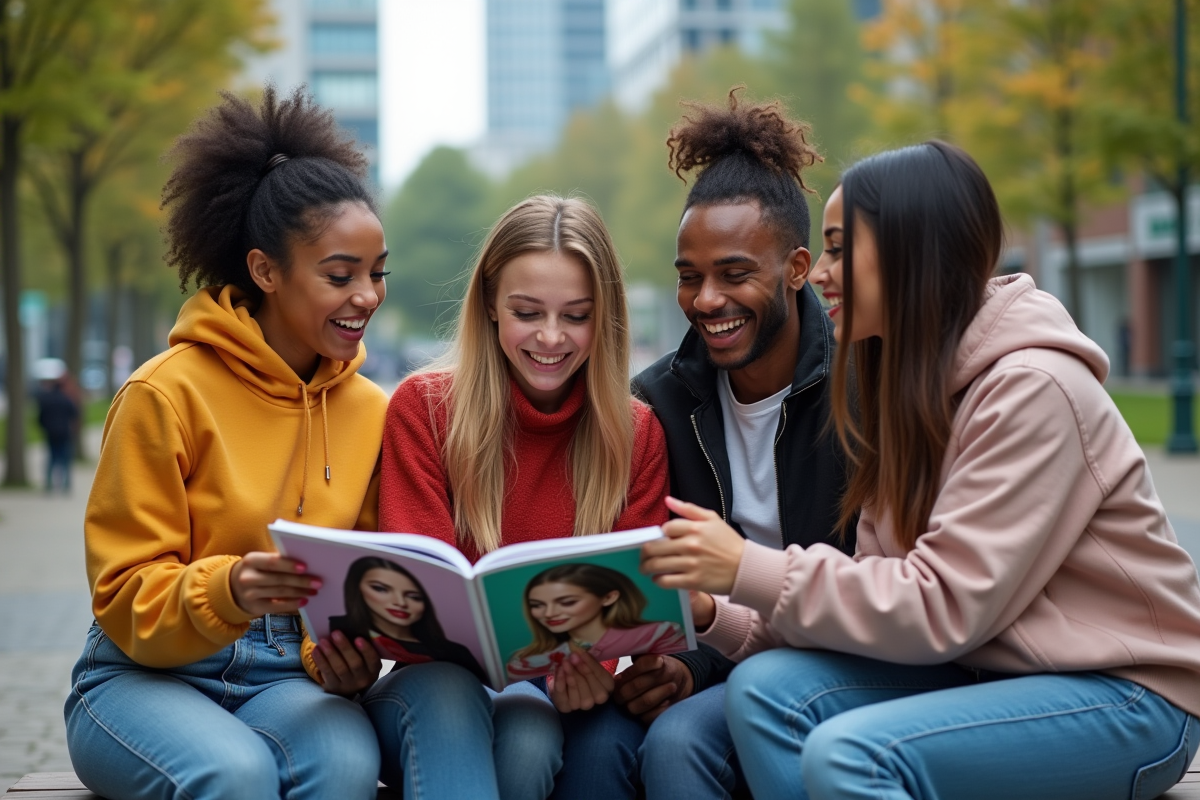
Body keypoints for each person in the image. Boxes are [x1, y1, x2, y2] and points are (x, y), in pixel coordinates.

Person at [642, 140, 1200, 800]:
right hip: (988, 668)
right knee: (766, 693)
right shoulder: (896, 383)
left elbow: (941, 604)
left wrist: (744, 565)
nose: (818, 275)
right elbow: (876, 583)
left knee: (852, 757)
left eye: (841, 250)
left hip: (1125, 694)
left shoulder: (1031, 388)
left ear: (915, 251)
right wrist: (713, 610)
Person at [63, 87, 390, 800]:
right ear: (266, 271)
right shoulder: (164, 393)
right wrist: (232, 586)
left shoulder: (371, 410)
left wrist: (345, 652)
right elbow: (122, 594)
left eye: (376, 272)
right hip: (142, 675)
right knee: (233, 774)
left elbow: (363, 580)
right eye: (340, 275)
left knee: (344, 768)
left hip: (287, 677)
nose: (366, 294)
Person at [372, 194, 670, 800]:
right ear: (489, 303)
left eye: (577, 315)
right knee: (499, 724)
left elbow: (628, 610)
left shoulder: (634, 433)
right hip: (429, 689)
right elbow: (417, 606)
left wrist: (592, 668)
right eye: (527, 312)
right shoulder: (425, 409)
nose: (552, 337)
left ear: (605, 314)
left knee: (531, 738)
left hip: (550, 696)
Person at [624, 88, 853, 799]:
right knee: (637, 742)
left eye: (734, 274)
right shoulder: (657, 401)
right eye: (690, 278)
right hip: (732, 658)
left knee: (687, 739)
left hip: (851, 657)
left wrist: (709, 665)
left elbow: (875, 591)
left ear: (795, 268)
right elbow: (675, 593)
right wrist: (683, 666)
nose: (706, 302)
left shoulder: (863, 390)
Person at [507, 563, 686, 681]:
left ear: (608, 597)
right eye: (537, 605)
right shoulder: (526, 660)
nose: (549, 613)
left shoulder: (660, 632)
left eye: (568, 602)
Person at [329, 555, 488, 682]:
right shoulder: (338, 627)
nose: (400, 603)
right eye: (380, 589)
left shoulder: (455, 650)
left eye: (414, 597)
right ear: (356, 588)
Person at [34, 359, 78, 493]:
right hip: (64, 432)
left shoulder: (45, 399)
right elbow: (74, 414)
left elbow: (40, 416)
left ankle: (48, 484)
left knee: (51, 458)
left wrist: (43, 427)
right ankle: (66, 485)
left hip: (50, 432)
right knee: (65, 459)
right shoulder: (66, 399)